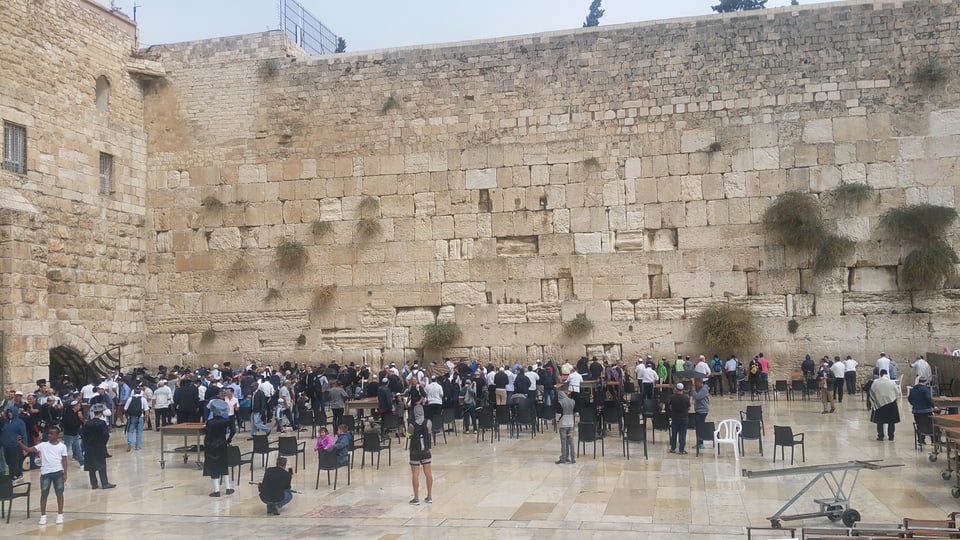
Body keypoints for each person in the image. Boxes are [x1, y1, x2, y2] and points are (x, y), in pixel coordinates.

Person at [17, 426, 68, 525]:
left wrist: (65, 474)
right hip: (45, 473)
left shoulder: (62, 446)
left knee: (59, 494)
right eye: (48, 433)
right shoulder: (43, 445)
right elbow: (29, 449)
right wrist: (19, 443)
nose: (49, 435)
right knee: (44, 494)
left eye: (52, 434)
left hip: (58, 472)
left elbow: (64, 460)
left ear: (57, 435)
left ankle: (60, 515)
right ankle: (43, 516)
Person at [203, 407, 236, 497]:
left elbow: (207, 434)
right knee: (224, 465)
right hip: (222, 444)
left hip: (212, 445)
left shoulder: (210, 422)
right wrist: (229, 439)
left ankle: (216, 490)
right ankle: (228, 488)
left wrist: (206, 445)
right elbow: (233, 430)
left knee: (214, 467)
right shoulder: (225, 421)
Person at [81, 404, 115, 489]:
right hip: (99, 447)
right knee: (102, 466)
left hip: (89, 448)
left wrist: (86, 444)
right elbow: (106, 435)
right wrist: (103, 443)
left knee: (91, 467)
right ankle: (104, 483)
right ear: (100, 413)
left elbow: (83, 435)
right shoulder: (102, 423)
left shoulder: (87, 423)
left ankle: (94, 484)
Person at [407, 405, 433, 504]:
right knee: (428, 473)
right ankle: (429, 496)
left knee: (415, 474)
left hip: (414, 451)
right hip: (426, 451)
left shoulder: (411, 425)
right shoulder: (428, 422)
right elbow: (429, 433)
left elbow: (409, 436)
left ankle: (416, 498)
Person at [908, 377, 939, 446]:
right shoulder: (925, 389)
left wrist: (914, 404)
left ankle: (921, 440)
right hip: (926, 411)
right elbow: (928, 399)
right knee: (930, 425)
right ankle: (934, 441)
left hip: (916, 411)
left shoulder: (913, 389)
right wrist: (934, 406)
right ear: (925, 382)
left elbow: (909, 399)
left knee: (919, 425)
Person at [870, 370, 900, 441]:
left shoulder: (876, 382)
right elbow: (897, 392)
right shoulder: (892, 382)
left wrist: (874, 402)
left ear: (880, 374)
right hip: (891, 403)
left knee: (880, 421)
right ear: (887, 374)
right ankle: (891, 436)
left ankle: (880, 436)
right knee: (891, 421)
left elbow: (871, 392)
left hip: (879, 403)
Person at [1, 407, 27, 479]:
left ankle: (13, 476)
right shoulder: (5, 422)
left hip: (15, 445)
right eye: (8, 412)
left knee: (14, 461)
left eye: (11, 412)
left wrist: (25, 448)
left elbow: (23, 434)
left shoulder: (20, 422)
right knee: (8, 461)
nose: (9, 414)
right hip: (6, 446)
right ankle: (18, 473)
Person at [124, 385, 150, 452]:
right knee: (139, 431)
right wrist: (146, 420)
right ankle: (138, 446)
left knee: (130, 431)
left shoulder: (130, 399)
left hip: (131, 417)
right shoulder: (143, 399)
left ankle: (130, 443)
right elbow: (146, 410)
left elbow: (125, 408)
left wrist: (127, 416)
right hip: (140, 417)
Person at [555, 383, 576, 464]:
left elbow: (558, 414)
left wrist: (558, 421)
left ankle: (564, 458)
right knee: (571, 441)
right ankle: (573, 458)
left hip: (563, 424)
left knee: (563, 441)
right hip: (571, 423)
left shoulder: (560, 402)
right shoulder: (572, 401)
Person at [668, 383, 691, 455]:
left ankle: (673, 448)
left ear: (676, 389)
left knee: (674, 433)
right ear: (683, 389)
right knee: (682, 434)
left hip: (675, 418)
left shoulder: (672, 397)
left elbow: (670, 406)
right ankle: (681, 450)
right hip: (684, 418)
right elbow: (689, 408)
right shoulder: (686, 398)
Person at [61, 400, 84, 466]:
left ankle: (82, 462)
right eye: (78, 405)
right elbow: (71, 425)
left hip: (75, 434)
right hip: (69, 434)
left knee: (78, 449)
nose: (79, 407)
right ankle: (60, 463)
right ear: (74, 406)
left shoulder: (76, 413)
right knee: (66, 449)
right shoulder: (68, 414)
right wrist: (79, 423)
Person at [691, 378, 710, 450]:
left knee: (700, 427)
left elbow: (697, 397)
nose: (695, 384)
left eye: (696, 382)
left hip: (702, 411)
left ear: (700, 382)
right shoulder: (699, 389)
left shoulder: (704, 389)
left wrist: (693, 390)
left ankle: (701, 443)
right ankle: (699, 442)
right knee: (698, 427)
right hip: (698, 410)